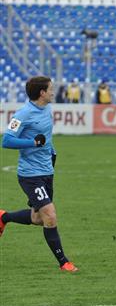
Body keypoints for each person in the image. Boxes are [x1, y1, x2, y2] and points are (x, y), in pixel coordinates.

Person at [0, 76, 78, 272]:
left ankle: (3, 218)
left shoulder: (47, 109)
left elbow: (47, 138)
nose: (53, 92)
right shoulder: (23, 114)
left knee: (38, 218)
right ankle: (64, 262)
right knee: (50, 216)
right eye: (51, 89)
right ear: (42, 93)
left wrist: (52, 153)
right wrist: (33, 143)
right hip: (30, 175)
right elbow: (6, 140)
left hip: (47, 171)